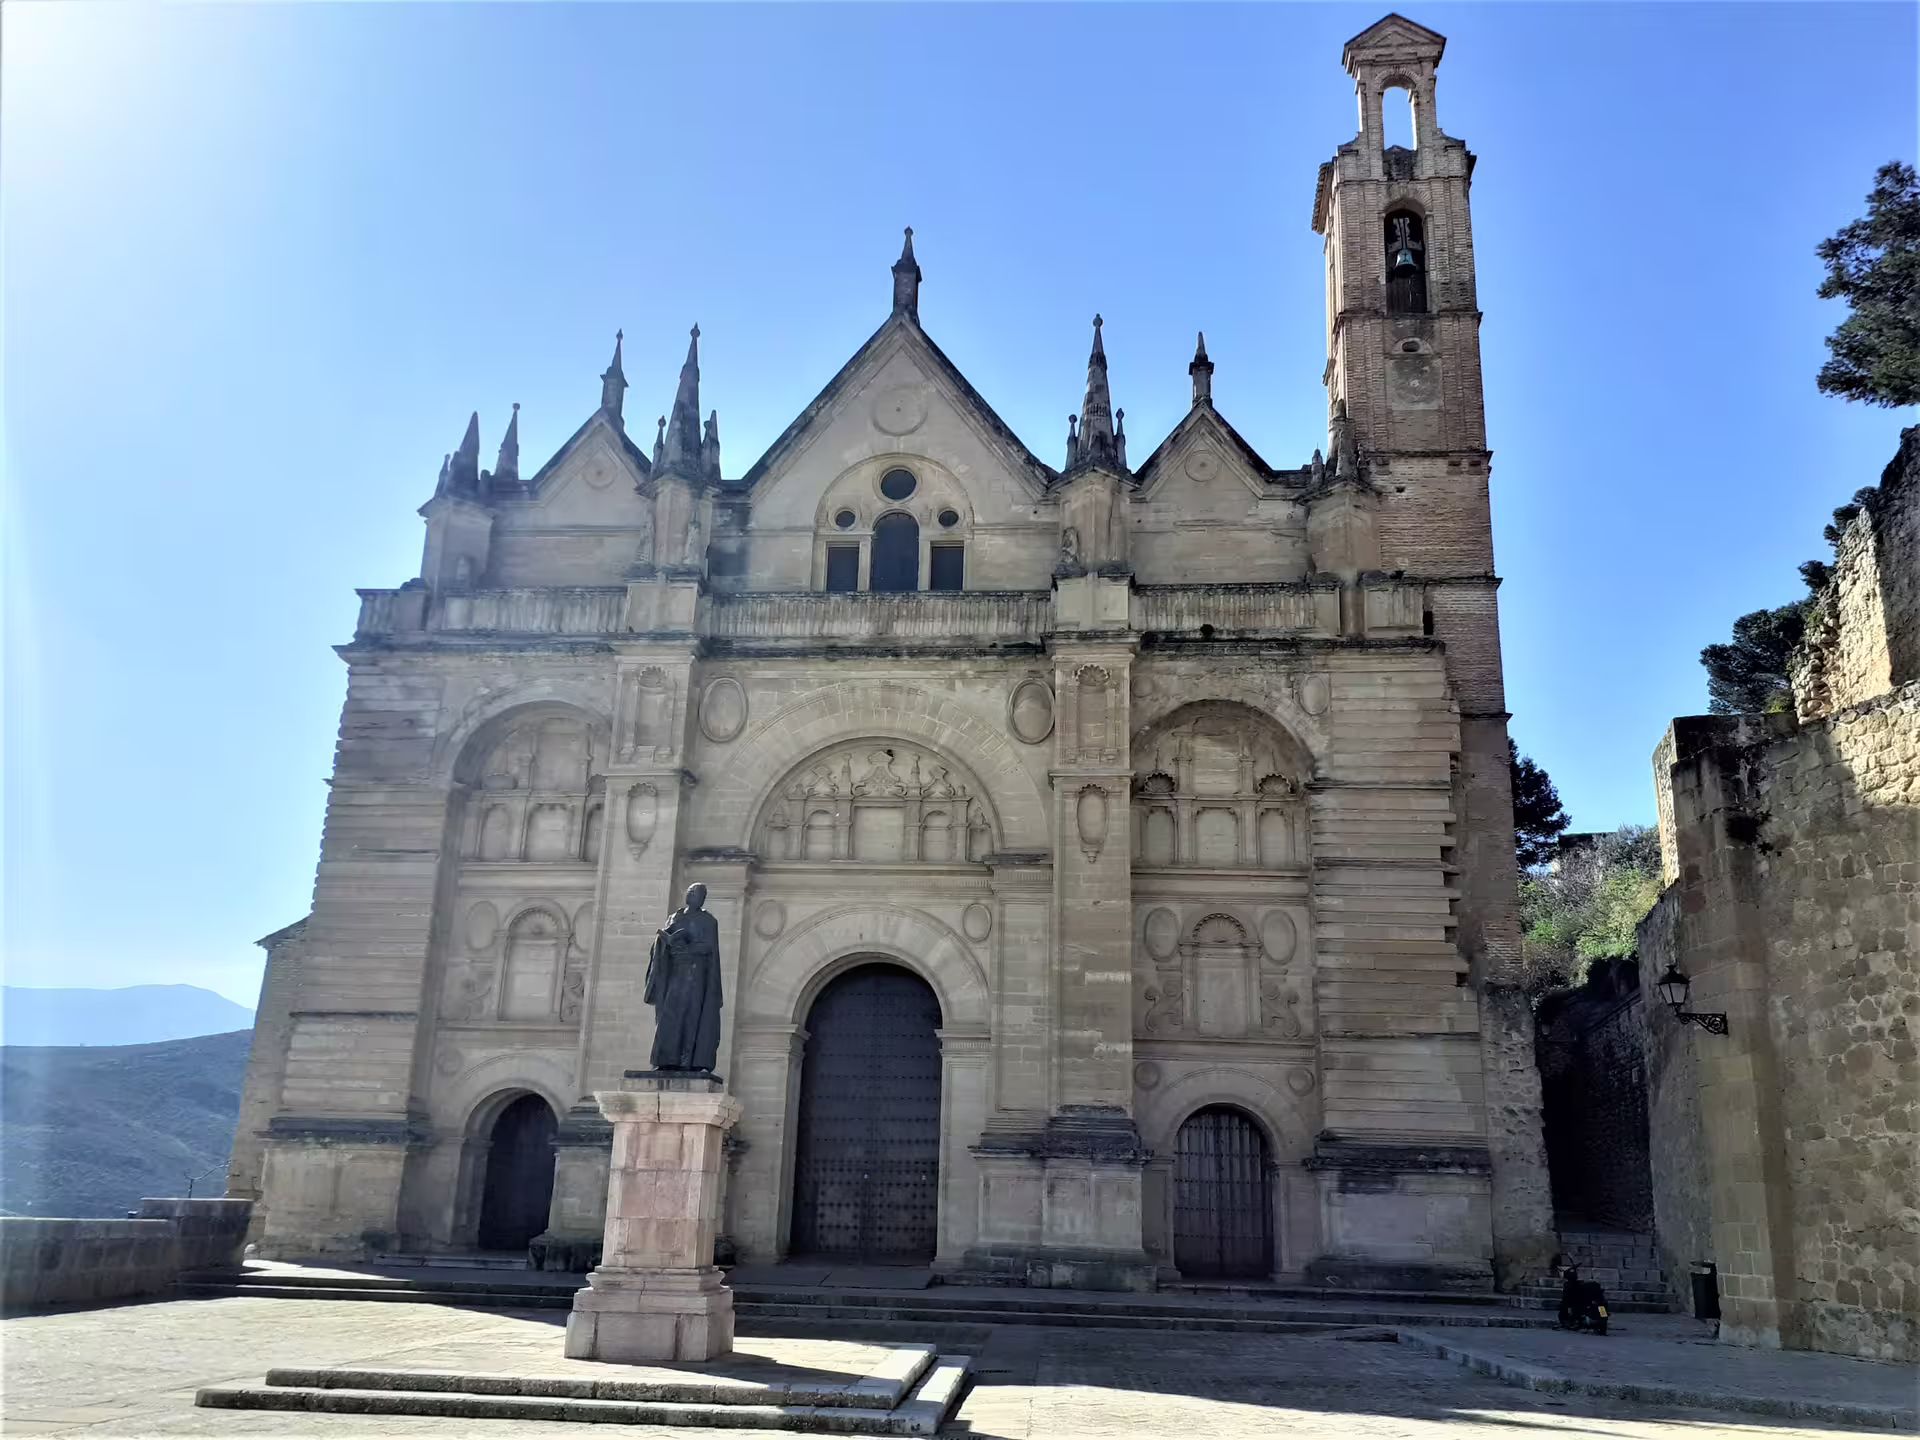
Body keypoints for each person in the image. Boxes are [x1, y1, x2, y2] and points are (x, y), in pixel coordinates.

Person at [645, 882, 723, 1072]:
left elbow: (709, 948)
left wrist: (687, 947)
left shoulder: (708, 921)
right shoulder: (675, 917)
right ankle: (666, 1059)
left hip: (695, 973)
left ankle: (688, 1061)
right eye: (690, 892)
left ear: (703, 898)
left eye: (697, 893)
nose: (693, 895)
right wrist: (665, 942)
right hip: (674, 972)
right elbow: (662, 941)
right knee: (669, 1016)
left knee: (692, 1015)